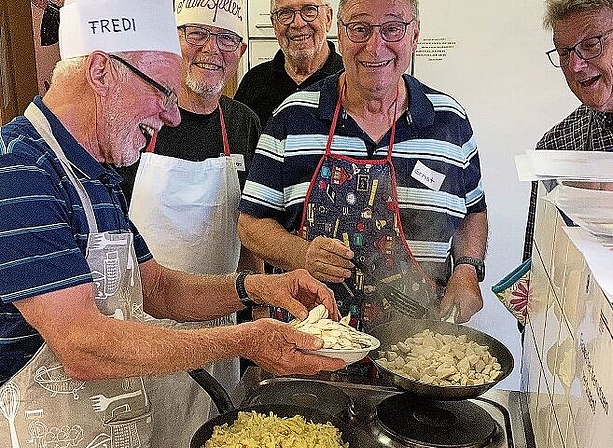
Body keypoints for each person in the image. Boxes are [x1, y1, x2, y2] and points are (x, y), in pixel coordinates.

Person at [0, 1, 344, 446]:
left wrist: (256, 289)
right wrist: (244, 339)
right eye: (163, 90)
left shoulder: (91, 172)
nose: (173, 113)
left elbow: (156, 288)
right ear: (102, 72)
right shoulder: (20, 170)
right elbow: (82, 344)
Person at [238, 0, 488, 330]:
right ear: (339, 35)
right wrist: (302, 255)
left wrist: (468, 268)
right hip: (311, 344)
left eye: (392, 28)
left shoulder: (449, 120)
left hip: (419, 349)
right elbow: (251, 224)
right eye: (359, 28)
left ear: (414, 35)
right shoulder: (292, 117)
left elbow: (473, 211)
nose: (375, 45)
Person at [115, 3, 263, 446]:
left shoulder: (244, 124)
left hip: (220, 318)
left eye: (226, 39)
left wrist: (256, 296)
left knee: (211, 429)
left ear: (239, 50)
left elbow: (252, 224)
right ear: (173, 39)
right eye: (197, 34)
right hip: (139, 321)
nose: (211, 50)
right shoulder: (139, 117)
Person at [523, 0, 613, 261]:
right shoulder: (556, 147)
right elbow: (538, 271)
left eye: (590, 45)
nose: (575, 66)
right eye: (564, 52)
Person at [234, 0, 344, 126]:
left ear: (328, 18)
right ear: (274, 24)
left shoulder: (351, 81)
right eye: (285, 12)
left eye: (309, 10)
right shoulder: (253, 82)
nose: (297, 24)